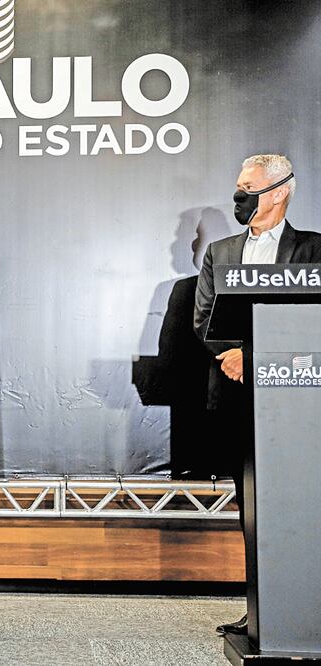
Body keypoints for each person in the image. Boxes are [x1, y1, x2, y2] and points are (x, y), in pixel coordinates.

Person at [194, 154, 321, 636]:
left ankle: (305, 606)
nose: (239, 197)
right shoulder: (220, 251)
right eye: (238, 187)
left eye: (248, 187)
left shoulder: (314, 251)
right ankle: (262, 610)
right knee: (253, 506)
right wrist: (234, 355)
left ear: (280, 190)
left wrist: (259, 355)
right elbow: (204, 317)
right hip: (237, 395)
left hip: (300, 401)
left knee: (303, 502)